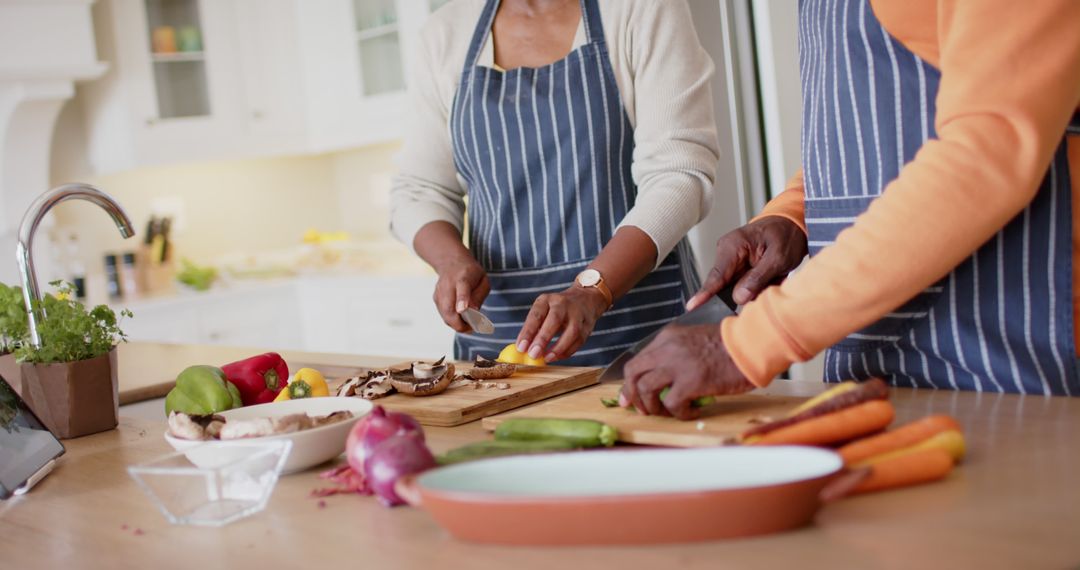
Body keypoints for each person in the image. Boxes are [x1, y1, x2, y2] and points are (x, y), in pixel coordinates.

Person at [621, 0, 1080, 419]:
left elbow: (990, 149)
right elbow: (889, 126)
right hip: (873, 363)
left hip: (1015, 350)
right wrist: (791, 215)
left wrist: (748, 343)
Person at [390, 0, 720, 366]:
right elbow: (419, 189)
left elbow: (678, 172)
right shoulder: (444, 34)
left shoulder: (640, 8)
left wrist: (592, 289)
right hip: (503, 354)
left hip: (642, 337)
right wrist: (451, 261)